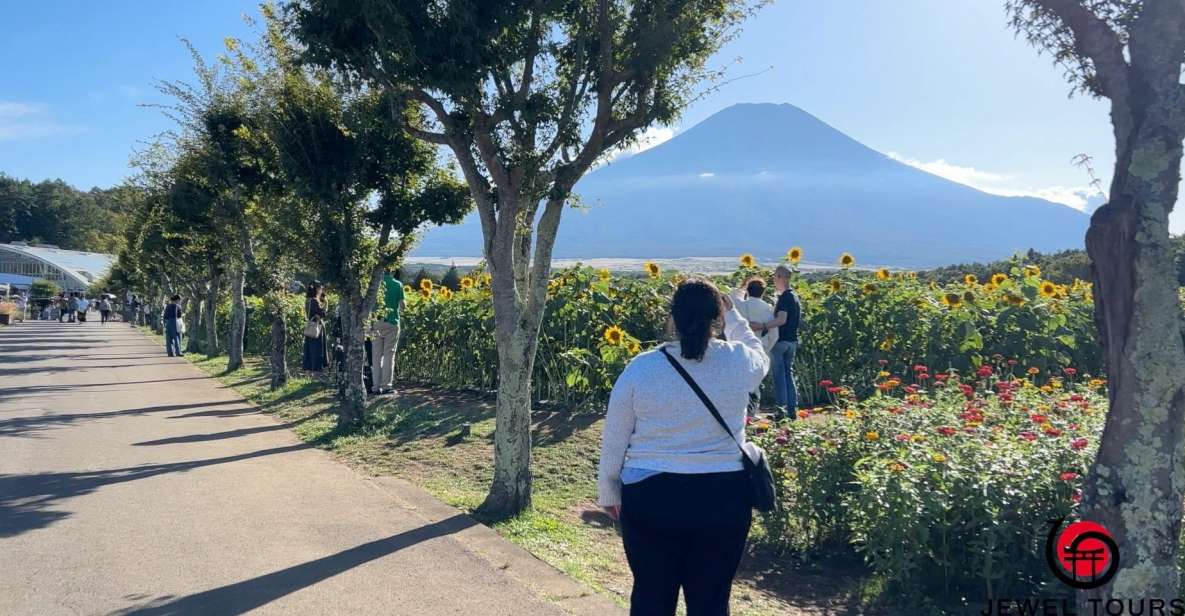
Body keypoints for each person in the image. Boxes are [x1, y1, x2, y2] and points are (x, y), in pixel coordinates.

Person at [597, 278, 768, 616]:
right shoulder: (736, 361)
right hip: (723, 497)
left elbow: (615, 436)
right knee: (711, 602)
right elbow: (761, 356)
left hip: (651, 496)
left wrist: (609, 492)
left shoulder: (641, 368)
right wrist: (734, 317)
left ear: (672, 318)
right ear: (716, 318)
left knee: (651, 597)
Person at [752, 265, 802, 419]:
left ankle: (781, 412)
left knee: (779, 376)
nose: (773, 280)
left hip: (780, 342)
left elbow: (781, 319)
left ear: (780, 277)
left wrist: (761, 326)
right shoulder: (794, 296)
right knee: (788, 375)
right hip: (792, 341)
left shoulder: (785, 298)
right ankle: (792, 411)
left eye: (775, 277)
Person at [732, 277, 778, 416]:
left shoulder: (740, 305)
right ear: (763, 292)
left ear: (748, 290)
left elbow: (732, 295)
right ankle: (752, 412)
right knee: (756, 382)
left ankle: (742, 413)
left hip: (741, 348)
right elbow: (774, 334)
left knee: (741, 381)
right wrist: (766, 349)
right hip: (760, 347)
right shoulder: (768, 309)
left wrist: (742, 286)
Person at [371, 269, 406, 395]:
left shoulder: (375, 285)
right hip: (392, 322)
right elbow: (402, 306)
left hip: (376, 322)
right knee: (388, 355)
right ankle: (386, 386)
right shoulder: (398, 284)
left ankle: (376, 386)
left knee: (376, 356)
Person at [302, 282, 329, 372]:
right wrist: (326, 303)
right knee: (317, 349)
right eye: (321, 289)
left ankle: (311, 367)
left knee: (311, 348)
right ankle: (316, 369)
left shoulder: (308, 300)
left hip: (311, 325)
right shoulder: (314, 301)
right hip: (316, 326)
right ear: (317, 289)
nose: (321, 291)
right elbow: (322, 314)